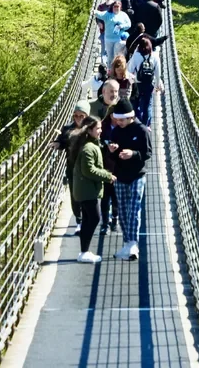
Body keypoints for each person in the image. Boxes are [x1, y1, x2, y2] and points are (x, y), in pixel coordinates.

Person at [106, 98, 152, 260]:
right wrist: (112, 149)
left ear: (130, 117)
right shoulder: (116, 131)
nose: (119, 122)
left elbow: (147, 153)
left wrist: (132, 154)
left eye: (122, 119)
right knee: (123, 212)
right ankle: (127, 243)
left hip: (137, 175)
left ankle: (133, 243)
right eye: (117, 119)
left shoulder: (141, 130)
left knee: (134, 208)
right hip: (120, 175)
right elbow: (113, 152)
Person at [69, 116, 114, 263]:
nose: (100, 131)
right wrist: (107, 176)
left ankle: (84, 251)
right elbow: (89, 170)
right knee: (94, 218)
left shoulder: (90, 144)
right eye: (98, 129)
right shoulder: (89, 148)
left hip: (85, 189)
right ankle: (84, 251)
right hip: (87, 190)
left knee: (89, 219)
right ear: (89, 130)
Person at [50, 102, 92, 235]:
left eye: (81, 115)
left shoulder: (92, 127)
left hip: (88, 168)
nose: (78, 118)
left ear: (87, 115)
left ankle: (87, 219)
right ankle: (79, 222)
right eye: (76, 115)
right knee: (75, 196)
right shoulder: (67, 128)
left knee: (89, 196)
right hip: (73, 169)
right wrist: (57, 143)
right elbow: (62, 142)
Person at [127, 37, 162, 126]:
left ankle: (134, 123)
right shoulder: (155, 57)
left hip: (137, 84)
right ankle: (145, 126)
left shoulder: (136, 56)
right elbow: (158, 73)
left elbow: (130, 70)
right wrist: (157, 85)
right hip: (149, 84)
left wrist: (131, 82)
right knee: (147, 106)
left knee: (135, 104)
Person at [94, 0, 131, 68]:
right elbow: (99, 14)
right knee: (110, 57)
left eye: (118, 6)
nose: (116, 8)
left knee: (116, 56)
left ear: (120, 7)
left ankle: (116, 71)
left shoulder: (123, 15)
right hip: (108, 39)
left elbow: (129, 24)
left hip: (118, 39)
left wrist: (121, 26)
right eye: (115, 6)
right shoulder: (107, 14)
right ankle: (109, 72)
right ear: (112, 7)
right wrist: (93, 11)